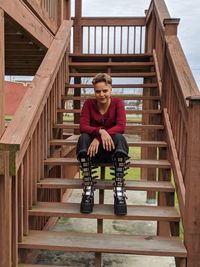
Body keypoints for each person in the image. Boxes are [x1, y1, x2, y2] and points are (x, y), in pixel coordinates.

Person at [76, 73, 129, 215]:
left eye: (104, 90)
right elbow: (83, 126)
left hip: (112, 152)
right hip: (92, 153)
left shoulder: (118, 103)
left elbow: (121, 126)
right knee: (83, 138)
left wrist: (100, 136)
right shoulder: (89, 104)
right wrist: (100, 131)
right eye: (97, 91)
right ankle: (88, 188)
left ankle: (118, 191)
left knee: (119, 137)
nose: (101, 94)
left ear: (111, 90)